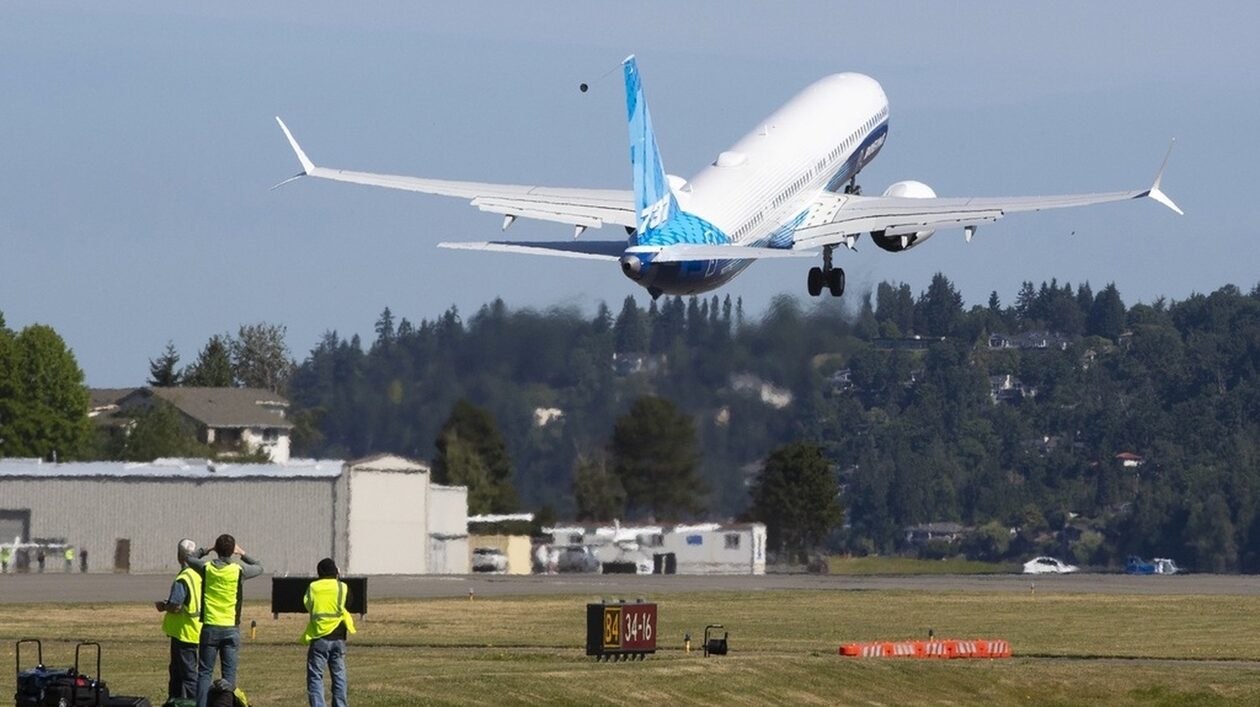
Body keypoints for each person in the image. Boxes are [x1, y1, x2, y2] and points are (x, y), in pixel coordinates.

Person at [187, 534, 263, 707]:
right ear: (232, 551)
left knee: (205, 673)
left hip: (210, 626)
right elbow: (259, 567)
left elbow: (189, 558)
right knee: (229, 675)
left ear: (217, 549)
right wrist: (242, 553)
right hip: (231, 627)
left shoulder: (207, 568)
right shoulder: (238, 570)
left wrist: (206, 549)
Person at [303, 558, 355, 707]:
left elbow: (307, 604)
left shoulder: (313, 587)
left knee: (315, 676)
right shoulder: (342, 587)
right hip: (338, 637)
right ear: (336, 571)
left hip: (319, 635)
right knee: (339, 675)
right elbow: (349, 603)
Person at [156, 539, 202, 700]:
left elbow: (176, 605)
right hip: (195, 629)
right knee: (177, 672)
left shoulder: (184, 578)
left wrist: (163, 606)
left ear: (179, 556)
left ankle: (195, 702)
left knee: (188, 676)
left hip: (184, 632)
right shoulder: (199, 574)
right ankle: (175, 701)